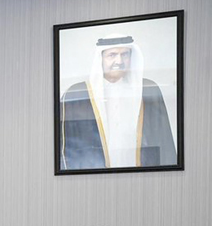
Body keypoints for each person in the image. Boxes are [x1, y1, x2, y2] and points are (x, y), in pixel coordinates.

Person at [60, 34, 177, 170]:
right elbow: (65, 146)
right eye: (112, 55)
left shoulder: (147, 89)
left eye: (125, 55)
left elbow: (163, 138)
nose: (119, 61)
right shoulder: (77, 93)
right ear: (101, 58)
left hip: (142, 175)